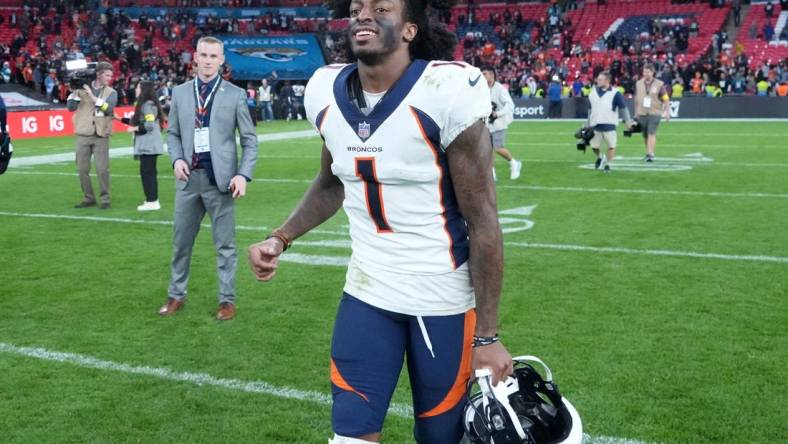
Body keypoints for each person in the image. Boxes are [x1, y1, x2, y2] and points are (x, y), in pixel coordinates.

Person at [247, 0, 513, 441]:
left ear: (409, 30)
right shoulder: (324, 89)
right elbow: (331, 183)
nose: (363, 15)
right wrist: (282, 236)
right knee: (350, 433)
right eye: (357, 8)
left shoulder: (446, 89)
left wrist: (487, 336)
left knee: (440, 436)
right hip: (367, 291)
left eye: (381, 8)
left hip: (440, 298)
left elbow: (483, 219)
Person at [159, 36, 258, 321]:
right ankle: (176, 295)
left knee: (225, 245)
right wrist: (176, 158)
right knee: (181, 243)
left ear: (221, 60)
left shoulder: (235, 95)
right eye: (203, 55)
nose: (208, 61)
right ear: (195, 57)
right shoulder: (179, 93)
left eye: (213, 56)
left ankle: (227, 300)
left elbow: (250, 141)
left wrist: (242, 175)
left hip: (221, 182)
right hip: (189, 180)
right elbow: (174, 133)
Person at [67, 61, 117, 209]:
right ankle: (88, 197)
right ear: (99, 74)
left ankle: (105, 199)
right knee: (82, 169)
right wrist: (75, 94)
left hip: (101, 134)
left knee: (102, 169)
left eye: (110, 75)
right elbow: (70, 108)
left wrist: (92, 96)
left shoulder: (111, 92)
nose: (110, 78)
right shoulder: (79, 90)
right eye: (107, 75)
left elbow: (109, 109)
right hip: (83, 133)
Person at [126, 81, 165, 211]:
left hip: (149, 145)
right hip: (149, 144)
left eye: (137, 87)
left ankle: (152, 201)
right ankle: (152, 200)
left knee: (147, 173)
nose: (135, 89)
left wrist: (134, 128)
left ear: (143, 90)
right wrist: (120, 119)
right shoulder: (147, 104)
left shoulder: (147, 105)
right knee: (149, 173)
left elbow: (149, 125)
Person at [587, 71, 633, 174]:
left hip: (609, 123)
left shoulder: (615, 93)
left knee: (611, 145)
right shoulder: (593, 92)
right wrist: (587, 123)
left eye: (600, 79)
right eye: (598, 79)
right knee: (594, 146)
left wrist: (627, 121)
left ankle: (608, 164)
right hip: (595, 123)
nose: (597, 81)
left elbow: (623, 108)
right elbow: (590, 109)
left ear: (607, 80)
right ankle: (600, 157)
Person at [481, 66, 521, 180]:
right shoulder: (482, 88)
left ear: (491, 75)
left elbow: (510, 105)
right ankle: (491, 172)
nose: (482, 76)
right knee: (488, 149)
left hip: (499, 123)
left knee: (498, 148)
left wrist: (497, 114)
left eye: (484, 73)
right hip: (487, 124)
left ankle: (514, 163)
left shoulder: (500, 89)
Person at [634, 64, 669, 163]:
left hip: (655, 112)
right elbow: (636, 99)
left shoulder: (659, 84)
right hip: (642, 112)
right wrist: (636, 113)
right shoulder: (638, 83)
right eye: (644, 72)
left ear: (652, 72)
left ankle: (650, 154)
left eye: (648, 72)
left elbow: (665, 99)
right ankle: (648, 152)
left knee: (651, 132)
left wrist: (667, 112)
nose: (645, 74)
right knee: (645, 134)